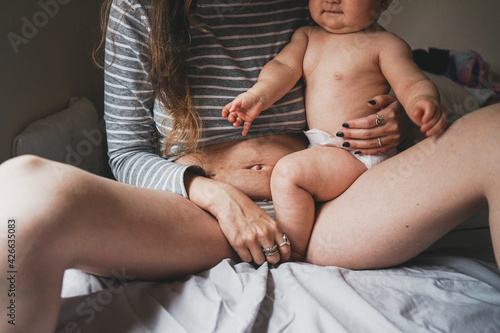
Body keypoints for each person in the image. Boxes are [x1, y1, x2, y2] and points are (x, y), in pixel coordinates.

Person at [0, 0, 499, 332]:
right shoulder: (141, 10)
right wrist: (213, 194)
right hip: (201, 221)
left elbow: (377, 78)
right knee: (23, 195)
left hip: (333, 208)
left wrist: (396, 122)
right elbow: (126, 156)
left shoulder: (316, 7)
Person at [221, 0, 447, 260]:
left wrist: (423, 103)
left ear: (384, 3)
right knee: (292, 174)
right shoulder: (306, 36)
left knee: (288, 173)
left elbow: (413, 82)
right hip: (326, 150)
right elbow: (283, 68)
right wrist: (258, 96)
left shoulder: (385, 45)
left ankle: (294, 251)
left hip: (360, 154)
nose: (331, 0)